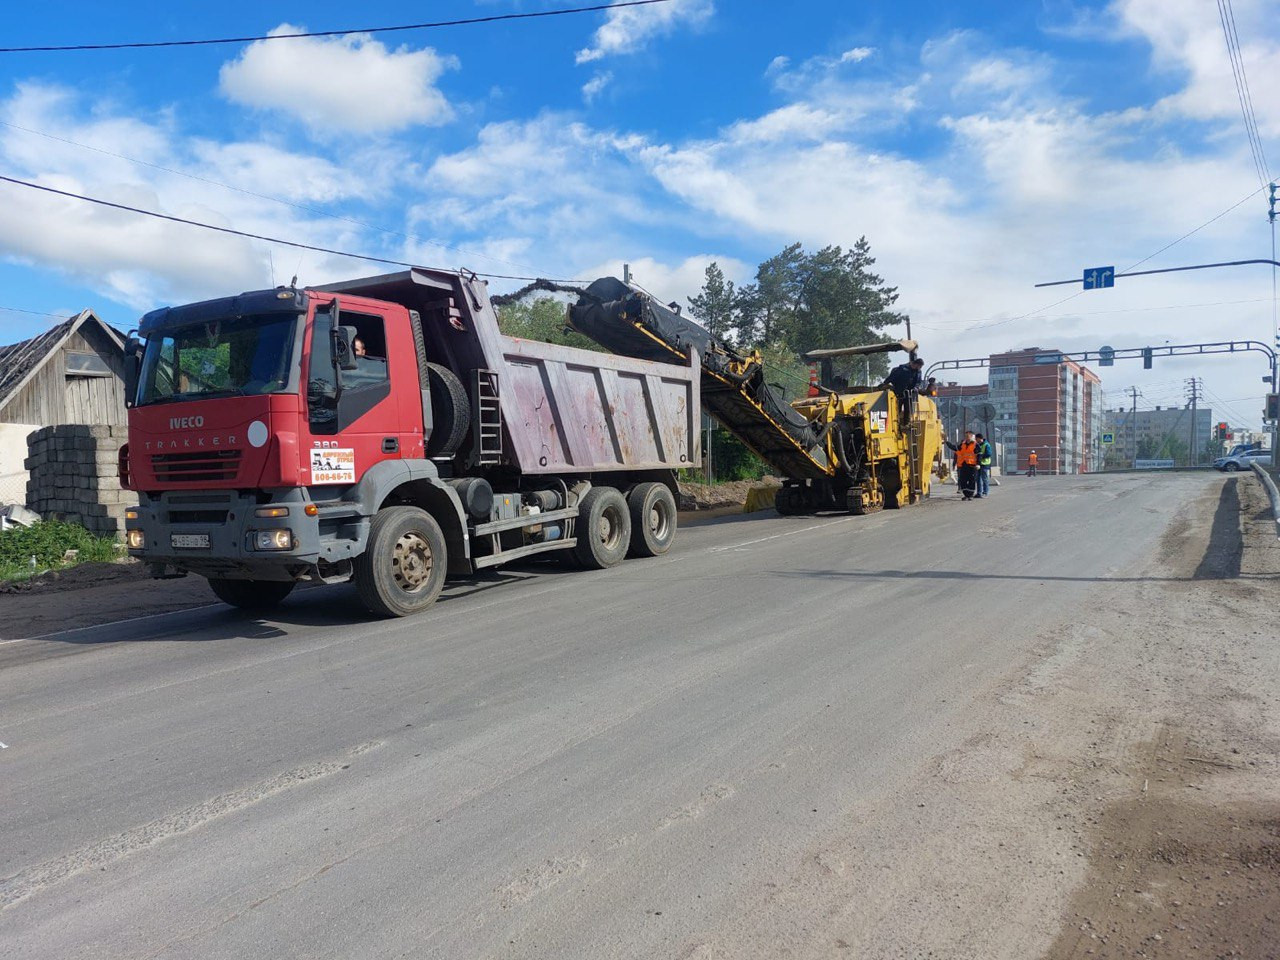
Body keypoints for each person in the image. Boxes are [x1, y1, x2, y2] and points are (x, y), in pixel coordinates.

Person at [947, 430, 980, 500]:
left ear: (972, 436)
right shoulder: (963, 444)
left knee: (971, 480)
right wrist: (947, 442)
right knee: (963, 480)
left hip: (972, 465)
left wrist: (978, 464)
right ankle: (965, 494)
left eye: (968, 436)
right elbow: (955, 448)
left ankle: (970, 495)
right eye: (966, 436)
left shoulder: (975, 445)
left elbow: (979, 455)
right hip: (963, 465)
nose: (967, 437)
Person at [975, 432, 994, 498]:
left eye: (976, 438)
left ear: (980, 438)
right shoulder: (977, 445)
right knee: (978, 479)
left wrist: (981, 456)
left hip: (985, 464)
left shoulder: (986, 445)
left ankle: (985, 492)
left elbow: (989, 454)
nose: (976, 440)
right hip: (978, 464)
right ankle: (979, 493)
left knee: (984, 478)